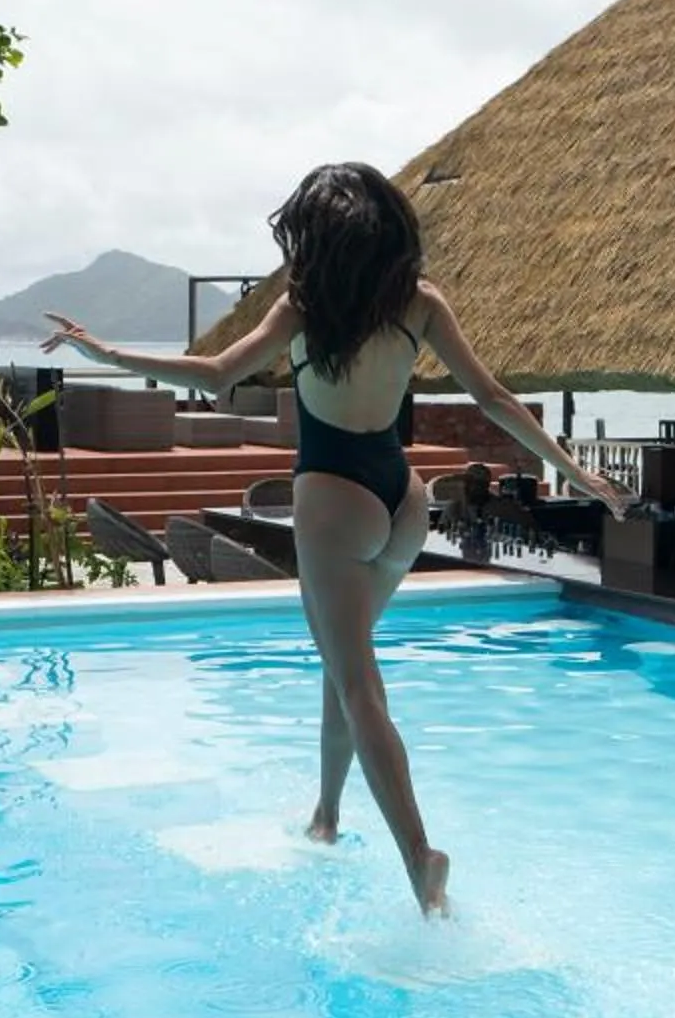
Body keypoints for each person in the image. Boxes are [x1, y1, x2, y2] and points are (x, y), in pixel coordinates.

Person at [44, 161, 626, 915]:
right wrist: (569, 470)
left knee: (358, 684)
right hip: (401, 500)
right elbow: (493, 399)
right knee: (341, 665)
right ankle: (327, 816)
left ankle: (420, 857)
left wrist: (108, 355)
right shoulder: (419, 303)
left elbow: (218, 374)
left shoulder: (302, 309)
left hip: (334, 499)